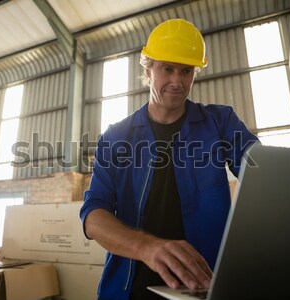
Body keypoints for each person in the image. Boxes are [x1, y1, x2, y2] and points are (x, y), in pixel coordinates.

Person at [80, 18, 259, 300]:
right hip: (130, 289)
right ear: (148, 69)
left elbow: (262, 175)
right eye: (167, 68)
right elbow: (93, 217)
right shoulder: (116, 138)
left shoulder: (219, 123)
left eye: (186, 71)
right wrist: (147, 247)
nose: (177, 81)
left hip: (204, 284)